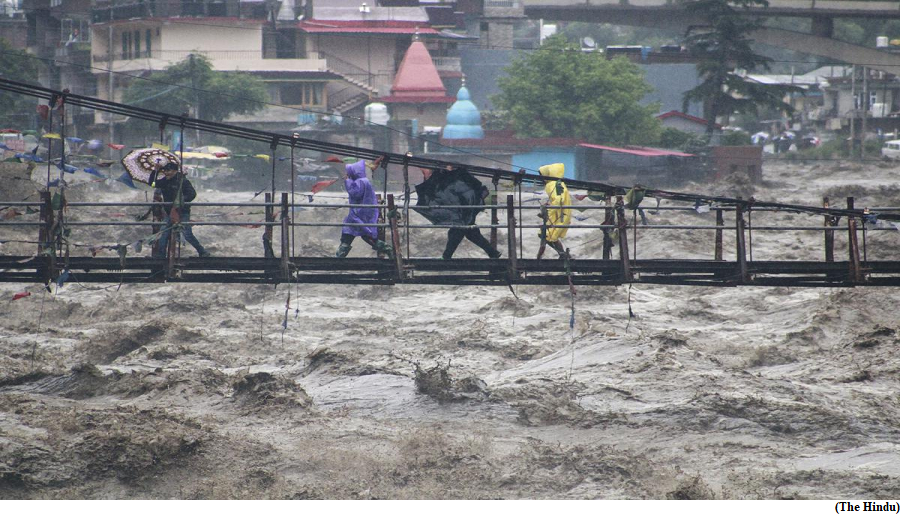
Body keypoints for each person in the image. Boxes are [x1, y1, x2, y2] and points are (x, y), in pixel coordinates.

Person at [414, 166, 500, 260]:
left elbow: (457, 196)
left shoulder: (454, 179)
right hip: (466, 208)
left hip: (465, 208)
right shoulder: (455, 178)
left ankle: (447, 256)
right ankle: (493, 253)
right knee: (469, 232)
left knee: (458, 230)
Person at [336, 159, 393, 258]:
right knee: (351, 231)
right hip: (360, 212)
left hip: (360, 213)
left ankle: (387, 249)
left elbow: (355, 193)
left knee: (361, 233)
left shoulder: (361, 181)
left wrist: (347, 181)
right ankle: (340, 255)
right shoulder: (362, 180)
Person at [152, 162, 210, 258]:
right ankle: (161, 256)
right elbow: (153, 184)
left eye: (169, 171)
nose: (166, 173)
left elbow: (192, 194)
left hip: (182, 212)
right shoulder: (165, 181)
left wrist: (181, 200)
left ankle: (202, 252)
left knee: (187, 234)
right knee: (163, 233)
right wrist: (155, 171)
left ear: (175, 171)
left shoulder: (182, 181)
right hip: (170, 213)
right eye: (165, 171)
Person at [536, 163, 572, 260]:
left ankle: (563, 255)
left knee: (547, 234)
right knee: (550, 235)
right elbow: (559, 199)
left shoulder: (552, 184)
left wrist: (548, 212)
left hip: (559, 215)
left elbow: (558, 200)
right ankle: (563, 254)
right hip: (563, 213)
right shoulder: (559, 183)